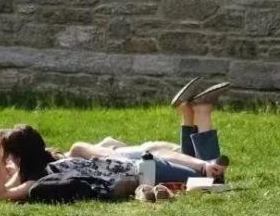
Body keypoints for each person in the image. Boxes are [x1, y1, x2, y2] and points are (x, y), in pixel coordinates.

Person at [67, 79, 231, 186]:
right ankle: (193, 111)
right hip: (139, 164)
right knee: (209, 180)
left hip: (134, 162)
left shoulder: (64, 161)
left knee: (207, 178)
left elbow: (78, 149)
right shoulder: (65, 162)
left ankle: (198, 111)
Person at [0, 125, 138, 202]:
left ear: (19, 157)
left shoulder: (39, 179)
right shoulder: (32, 168)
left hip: (130, 171)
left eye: (9, 156)